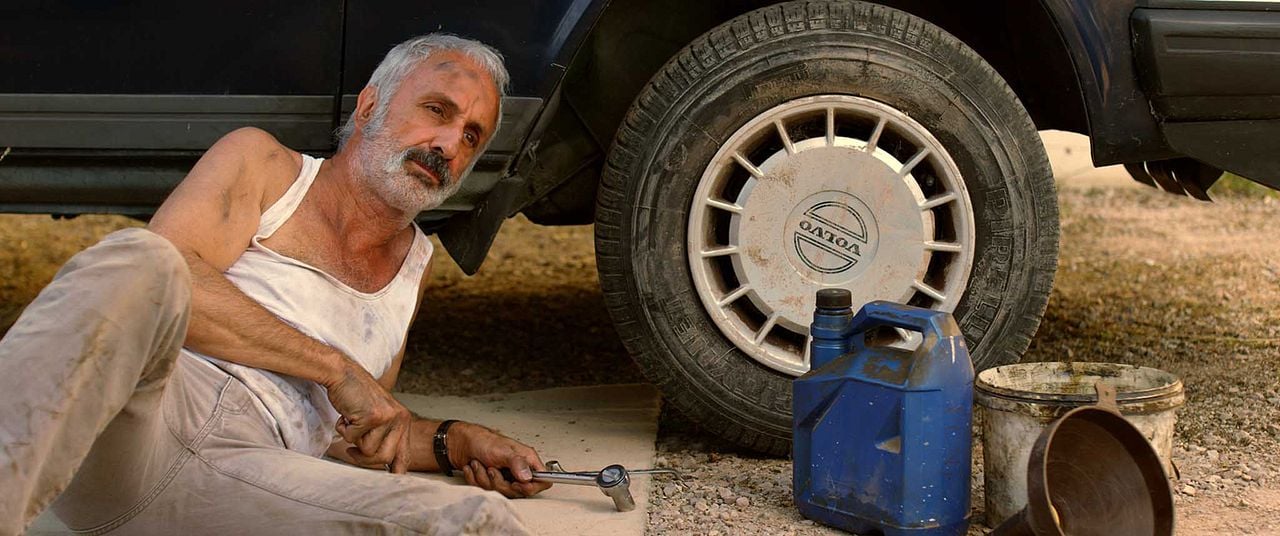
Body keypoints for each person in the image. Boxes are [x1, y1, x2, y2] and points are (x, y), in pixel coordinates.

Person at [0, 34, 549, 535]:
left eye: (470, 137)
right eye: (437, 110)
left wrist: (454, 441)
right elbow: (160, 286)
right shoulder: (263, 166)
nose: (449, 144)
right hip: (143, 424)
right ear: (370, 105)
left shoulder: (415, 265)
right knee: (139, 258)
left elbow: (359, 425)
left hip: (252, 473)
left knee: (476, 523)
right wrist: (335, 367)